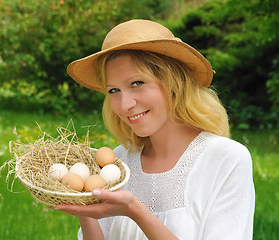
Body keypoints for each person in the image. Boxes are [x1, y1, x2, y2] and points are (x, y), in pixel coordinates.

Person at [52, 19, 255, 240]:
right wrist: (84, 204)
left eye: (137, 83)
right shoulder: (117, 164)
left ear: (174, 82)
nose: (124, 105)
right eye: (113, 90)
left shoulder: (226, 160)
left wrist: (135, 212)